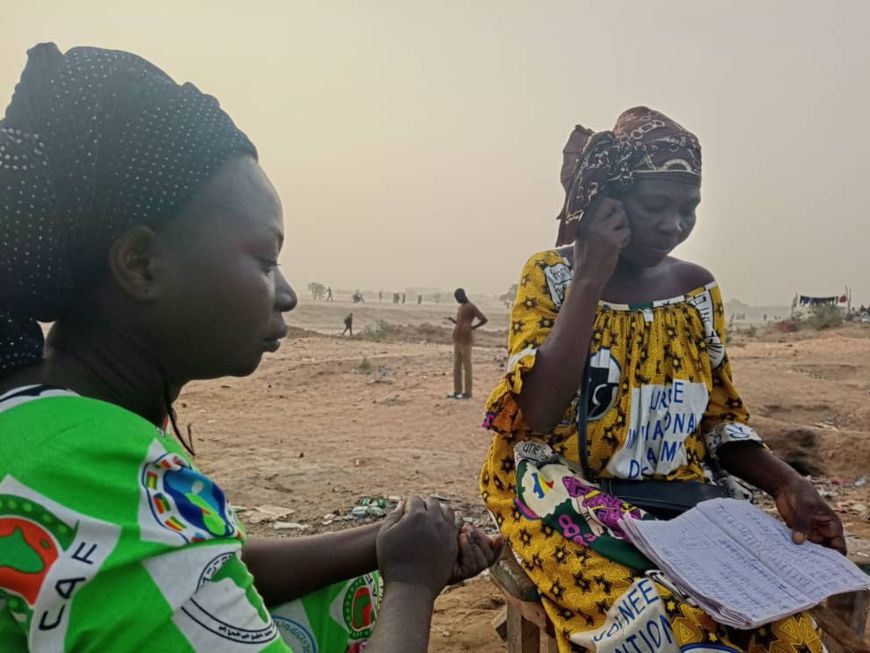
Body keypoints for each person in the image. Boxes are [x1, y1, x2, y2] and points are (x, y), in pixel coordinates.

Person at [0, 43, 501, 653]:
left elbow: (211, 568)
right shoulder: (87, 467)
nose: (286, 294)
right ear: (141, 264)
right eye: (264, 261)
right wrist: (412, 582)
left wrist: (385, 542)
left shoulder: (41, 415)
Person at [480, 108, 844, 652]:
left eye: (689, 208)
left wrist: (786, 483)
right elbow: (536, 415)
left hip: (681, 505)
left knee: (785, 628)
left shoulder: (697, 291)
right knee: (663, 621)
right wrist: (589, 278)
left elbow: (720, 420)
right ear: (609, 201)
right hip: (564, 495)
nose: (674, 224)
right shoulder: (551, 277)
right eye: (656, 206)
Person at [446, 289, 487, 399]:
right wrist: (454, 321)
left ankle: (468, 392)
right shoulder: (460, 307)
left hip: (466, 339)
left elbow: (484, 319)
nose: (457, 300)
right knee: (456, 365)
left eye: (458, 297)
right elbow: (461, 322)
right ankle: (457, 391)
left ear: (462, 296)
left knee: (467, 366)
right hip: (457, 338)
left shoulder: (471, 307)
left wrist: (473, 327)